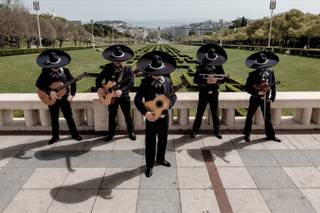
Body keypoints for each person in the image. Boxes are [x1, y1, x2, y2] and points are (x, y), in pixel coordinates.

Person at [134, 51, 177, 177]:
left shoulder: (168, 81)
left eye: (159, 72)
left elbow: (173, 97)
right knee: (151, 141)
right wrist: (145, 112)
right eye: (154, 73)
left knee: (163, 139)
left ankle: (160, 159)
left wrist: (170, 104)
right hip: (151, 117)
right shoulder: (145, 82)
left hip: (164, 117)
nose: (157, 75)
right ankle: (149, 164)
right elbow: (137, 100)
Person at [35, 49, 82, 144]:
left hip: (64, 98)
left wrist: (72, 94)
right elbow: (38, 84)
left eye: (57, 66)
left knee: (69, 116)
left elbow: (73, 83)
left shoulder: (65, 71)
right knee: (54, 118)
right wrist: (50, 91)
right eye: (54, 66)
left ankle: (75, 134)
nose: (56, 68)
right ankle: (55, 136)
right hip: (52, 99)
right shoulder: (45, 72)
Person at [96, 45, 136, 141]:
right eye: (115, 60)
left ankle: (131, 131)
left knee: (127, 115)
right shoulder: (107, 67)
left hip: (123, 96)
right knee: (112, 115)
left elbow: (131, 83)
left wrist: (121, 90)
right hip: (111, 97)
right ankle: (111, 133)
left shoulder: (128, 69)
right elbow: (98, 80)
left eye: (119, 60)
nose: (117, 62)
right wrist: (103, 88)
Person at [191, 44, 228, 139]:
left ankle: (217, 131)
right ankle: (195, 130)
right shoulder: (201, 65)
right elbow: (195, 80)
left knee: (215, 112)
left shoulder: (219, 66)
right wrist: (205, 80)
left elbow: (223, 79)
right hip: (203, 91)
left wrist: (217, 81)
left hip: (214, 92)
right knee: (200, 112)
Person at [243, 51, 281, 142]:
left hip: (266, 99)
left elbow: (273, 86)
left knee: (267, 118)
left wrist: (272, 98)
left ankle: (271, 135)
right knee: (249, 116)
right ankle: (247, 134)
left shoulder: (271, 72)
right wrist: (256, 93)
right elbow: (246, 88)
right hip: (255, 98)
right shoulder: (252, 74)